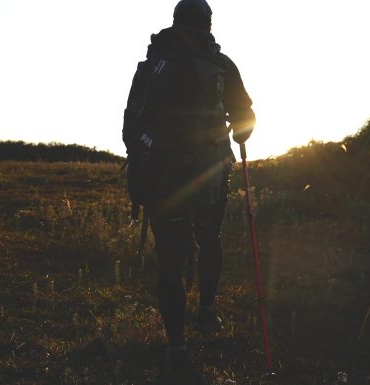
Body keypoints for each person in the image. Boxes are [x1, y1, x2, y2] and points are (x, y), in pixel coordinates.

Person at [122, 0, 255, 379]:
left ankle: (176, 346)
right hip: (211, 172)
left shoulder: (152, 65)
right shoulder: (222, 64)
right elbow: (245, 116)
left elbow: (132, 123)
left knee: (171, 257)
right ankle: (207, 312)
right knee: (209, 238)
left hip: (164, 176)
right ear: (209, 24)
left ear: (175, 22)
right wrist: (241, 130)